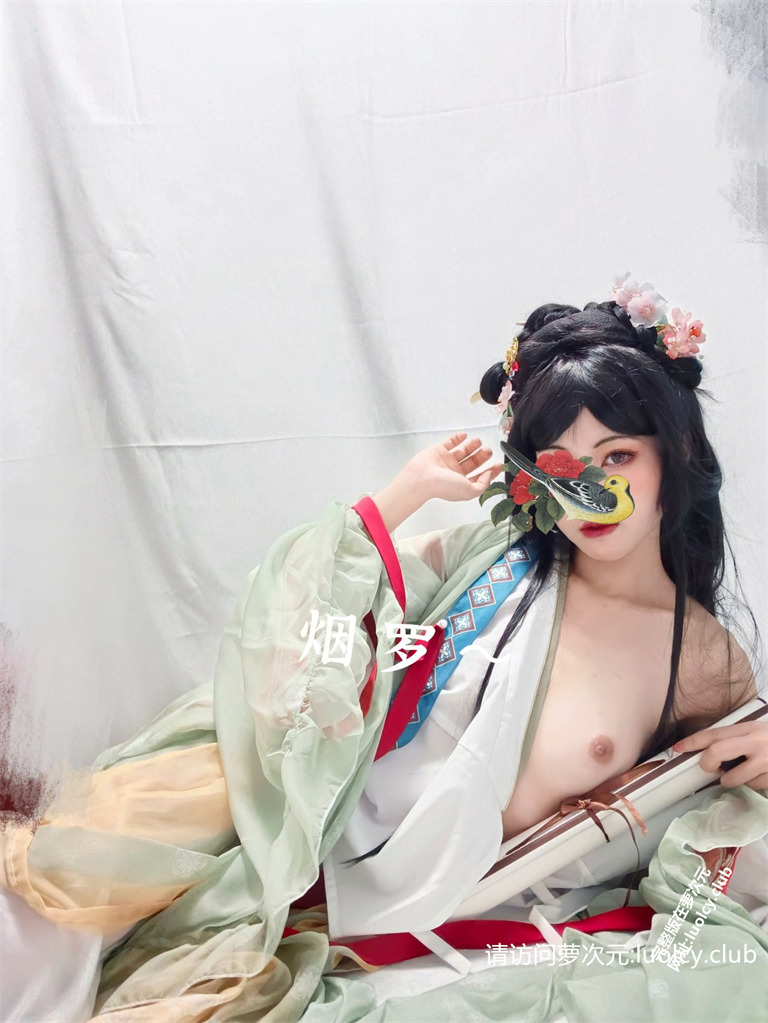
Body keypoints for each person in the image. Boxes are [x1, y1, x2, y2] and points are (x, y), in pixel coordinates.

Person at [2, 288, 767, 1021]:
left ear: (675, 449)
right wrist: (404, 494)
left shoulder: (702, 658)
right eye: (560, 462)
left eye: (618, 455)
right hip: (296, 821)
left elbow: (709, 832)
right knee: (61, 879)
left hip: (422, 910)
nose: (588, 490)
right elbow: (307, 615)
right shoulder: (488, 559)